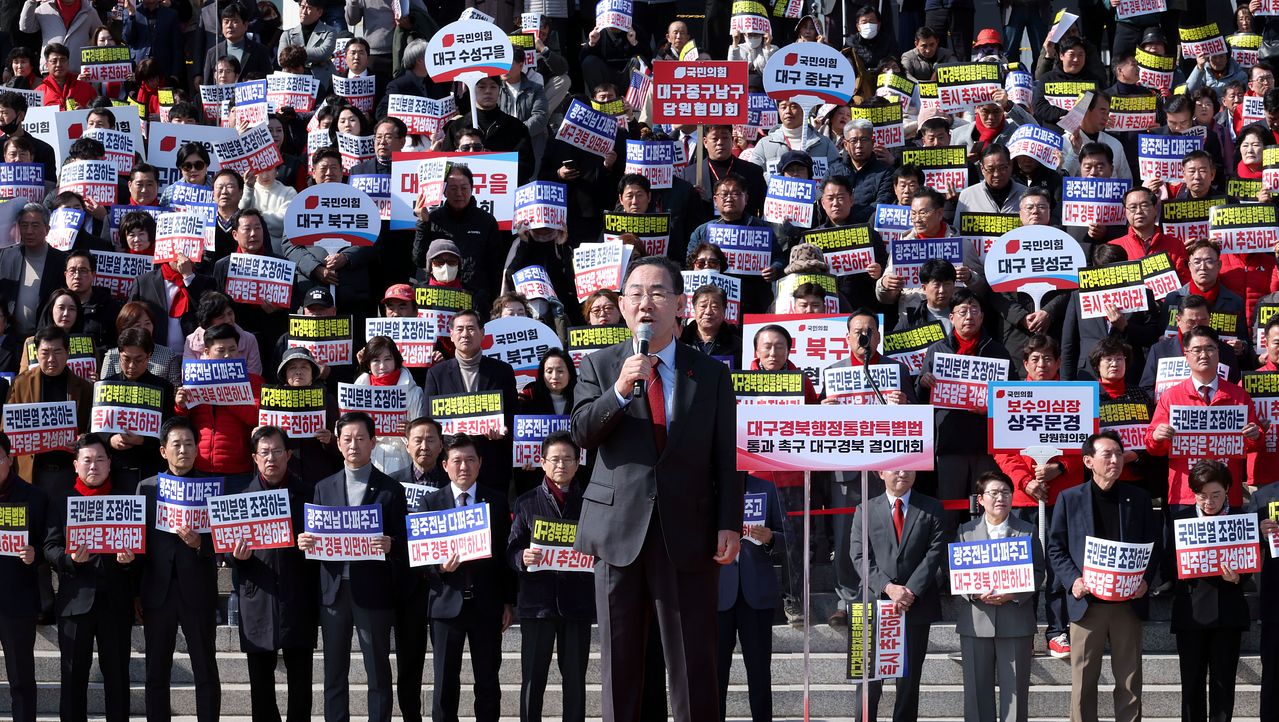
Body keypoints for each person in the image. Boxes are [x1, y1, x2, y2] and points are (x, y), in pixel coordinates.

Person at [570, 256, 743, 722]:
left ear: (681, 304)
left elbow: (727, 456)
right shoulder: (600, 365)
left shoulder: (709, 374)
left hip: (688, 533)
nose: (645, 303)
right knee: (621, 665)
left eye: (658, 293)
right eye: (635, 294)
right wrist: (622, 391)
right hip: (616, 532)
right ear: (623, 307)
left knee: (693, 664)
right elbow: (582, 432)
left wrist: (730, 522)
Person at [296, 411, 405, 722]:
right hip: (334, 592)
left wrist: (391, 544)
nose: (354, 444)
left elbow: (406, 543)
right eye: (347, 439)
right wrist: (307, 542)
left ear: (373, 442)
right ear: (339, 443)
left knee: (378, 670)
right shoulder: (323, 487)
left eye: (360, 438)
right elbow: (317, 535)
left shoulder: (390, 489)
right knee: (333, 671)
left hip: (373, 591)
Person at [1048, 431, 1162, 722]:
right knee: (1084, 682)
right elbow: (1056, 548)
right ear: (1088, 461)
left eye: (1119, 454)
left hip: (1127, 603)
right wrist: (1074, 580)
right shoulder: (1069, 498)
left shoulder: (1138, 498)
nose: (1115, 460)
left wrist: (1146, 581)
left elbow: (1153, 545)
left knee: (1129, 682)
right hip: (1087, 605)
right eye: (1107, 455)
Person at [420, 433, 515, 722]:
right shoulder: (430, 503)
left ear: (480, 463)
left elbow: (505, 555)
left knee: (487, 681)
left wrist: (508, 602)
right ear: (445, 464)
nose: (464, 466)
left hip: (486, 605)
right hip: (446, 606)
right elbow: (419, 558)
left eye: (471, 460)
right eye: (457, 461)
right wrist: (439, 567)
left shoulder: (496, 502)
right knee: (445, 682)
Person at [43, 433, 136, 722]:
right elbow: (50, 547)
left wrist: (128, 561)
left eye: (99, 459)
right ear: (75, 465)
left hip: (116, 603)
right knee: (73, 678)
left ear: (110, 464)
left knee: (118, 677)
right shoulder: (61, 502)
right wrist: (68, 560)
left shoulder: (125, 501)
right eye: (87, 460)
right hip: (74, 603)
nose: (93, 466)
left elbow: (140, 551)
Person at [136, 416, 220, 722]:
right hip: (157, 593)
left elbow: (222, 540)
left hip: (198, 590)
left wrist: (201, 543)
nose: (183, 449)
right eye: (176, 444)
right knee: (156, 671)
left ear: (198, 449)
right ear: (163, 451)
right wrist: (136, 592)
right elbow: (139, 542)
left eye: (189, 443)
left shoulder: (211, 489)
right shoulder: (146, 489)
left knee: (205, 670)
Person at [231, 425, 317, 722]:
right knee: (261, 689)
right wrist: (236, 557)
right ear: (254, 458)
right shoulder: (240, 500)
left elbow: (323, 551)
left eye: (277, 451)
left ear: (288, 455)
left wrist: (312, 544)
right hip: (258, 597)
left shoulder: (309, 496)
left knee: (301, 685)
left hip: (297, 597)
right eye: (264, 453)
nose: (271, 458)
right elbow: (227, 552)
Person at [506, 430, 593, 722]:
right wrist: (522, 558)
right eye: (554, 459)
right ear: (542, 463)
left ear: (578, 462)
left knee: (575, 684)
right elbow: (512, 548)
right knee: (533, 681)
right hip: (537, 604)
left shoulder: (590, 503)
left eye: (567, 459)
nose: (561, 465)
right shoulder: (527, 502)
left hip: (577, 603)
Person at [848, 468, 946, 721]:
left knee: (909, 679)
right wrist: (888, 588)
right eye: (896, 468)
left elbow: (934, 553)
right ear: (881, 473)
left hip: (915, 604)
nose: (903, 473)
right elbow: (859, 556)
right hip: (873, 602)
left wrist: (909, 591)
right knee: (868, 679)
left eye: (909, 468)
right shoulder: (865, 509)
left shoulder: (931, 507)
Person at [917, 288, 1015, 532]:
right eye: (962, 311)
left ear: (982, 316)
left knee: (986, 506)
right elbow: (921, 400)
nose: (969, 316)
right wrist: (923, 382)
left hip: (985, 444)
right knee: (949, 508)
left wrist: (991, 409)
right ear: (952, 318)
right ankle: (947, 565)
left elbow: (1011, 399)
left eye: (974, 310)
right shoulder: (937, 351)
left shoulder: (998, 352)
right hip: (949, 443)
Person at [1164, 459, 1250, 722]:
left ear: (1227, 490)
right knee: (1191, 684)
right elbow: (1167, 565)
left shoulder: (1239, 520)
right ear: (1193, 493)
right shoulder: (1180, 520)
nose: (1209, 502)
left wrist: (1238, 577)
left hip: (1228, 612)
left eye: (1216, 495)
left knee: (1224, 685)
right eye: (1202, 496)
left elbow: (1249, 563)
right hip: (1191, 611)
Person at [955, 470, 1045, 722]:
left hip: (1015, 620)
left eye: (1006, 492)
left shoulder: (1026, 531)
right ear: (980, 499)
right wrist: (974, 590)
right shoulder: (965, 531)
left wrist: (1013, 593)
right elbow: (955, 571)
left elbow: (1038, 572)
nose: (1000, 498)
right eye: (993, 493)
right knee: (976, 692)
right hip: (976, 619)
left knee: (1016, 694)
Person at [1146, 325, 1262, 511]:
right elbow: (1153, 447)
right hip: (1185, 494)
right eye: (1197, 350)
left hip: (1227, 494)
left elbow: (1254, 445)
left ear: (1218, 353)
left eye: (1209, 348)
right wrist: (1157, 437)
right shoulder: (1171, 397)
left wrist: (1255, 435)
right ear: (1186, 355)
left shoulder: (1239, 395)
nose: (1204, 354)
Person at [422, 311, 518, 491]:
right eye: (460, 329)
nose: (465, 334)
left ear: (482, 333)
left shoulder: (502, 371)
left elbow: (514, 415)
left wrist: (503, 429)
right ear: (451, 335)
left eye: (471, 328)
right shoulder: (437, 373)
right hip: (452, 466)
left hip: (491, 465)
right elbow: (429, 420)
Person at [716, 472, 785, 722]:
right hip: (718, 595)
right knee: (716, 674)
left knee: (759, 673)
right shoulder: (709, 487)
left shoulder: (766, 488)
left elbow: (788, 536)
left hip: (755, 593)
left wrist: (771, 538)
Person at [174, 324, 262, 488]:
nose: (228, 355)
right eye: (221, 351)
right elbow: (182, 423)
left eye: (233, 349)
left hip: (239, 471)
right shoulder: (195, 380)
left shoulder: (253, 381)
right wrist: (181, 406)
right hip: (200, 466)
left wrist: (223, 394)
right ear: (207, 352)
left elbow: (256, 417)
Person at [0, 430, 47, 722]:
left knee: (21, 680)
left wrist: (35, 554)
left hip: (17, 601)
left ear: (9, 459)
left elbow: (50, 543)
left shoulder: (35, 497)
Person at [101, 327, 174, 491]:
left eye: (139, 360)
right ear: (119, 354)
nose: (131, 366)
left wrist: (144, 440)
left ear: (149, 357)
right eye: (126, 359)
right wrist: (110, 440)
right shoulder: (106, 385)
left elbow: (169, 432)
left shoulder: (163, 388)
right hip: (114, 471)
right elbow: (93, 429)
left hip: (150, 470)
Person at [0, 203, 68, 337]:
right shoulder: (5, 256)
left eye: (35, 225)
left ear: (47, 229)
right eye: (24, 225)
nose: (29, 231)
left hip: (44, 338)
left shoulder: (61, 261)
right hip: (9, 338)